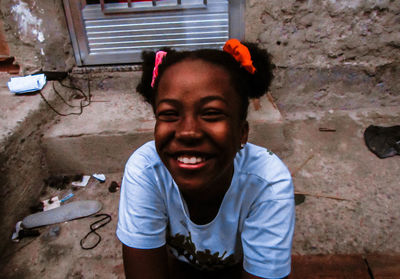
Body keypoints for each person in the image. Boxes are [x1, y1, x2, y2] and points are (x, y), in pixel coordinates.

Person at [116, 39, 295, 279]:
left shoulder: (268, 183)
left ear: (242, 132)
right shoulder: (146, 171)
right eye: (169, 114)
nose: (188, 132)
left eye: (211, 113)